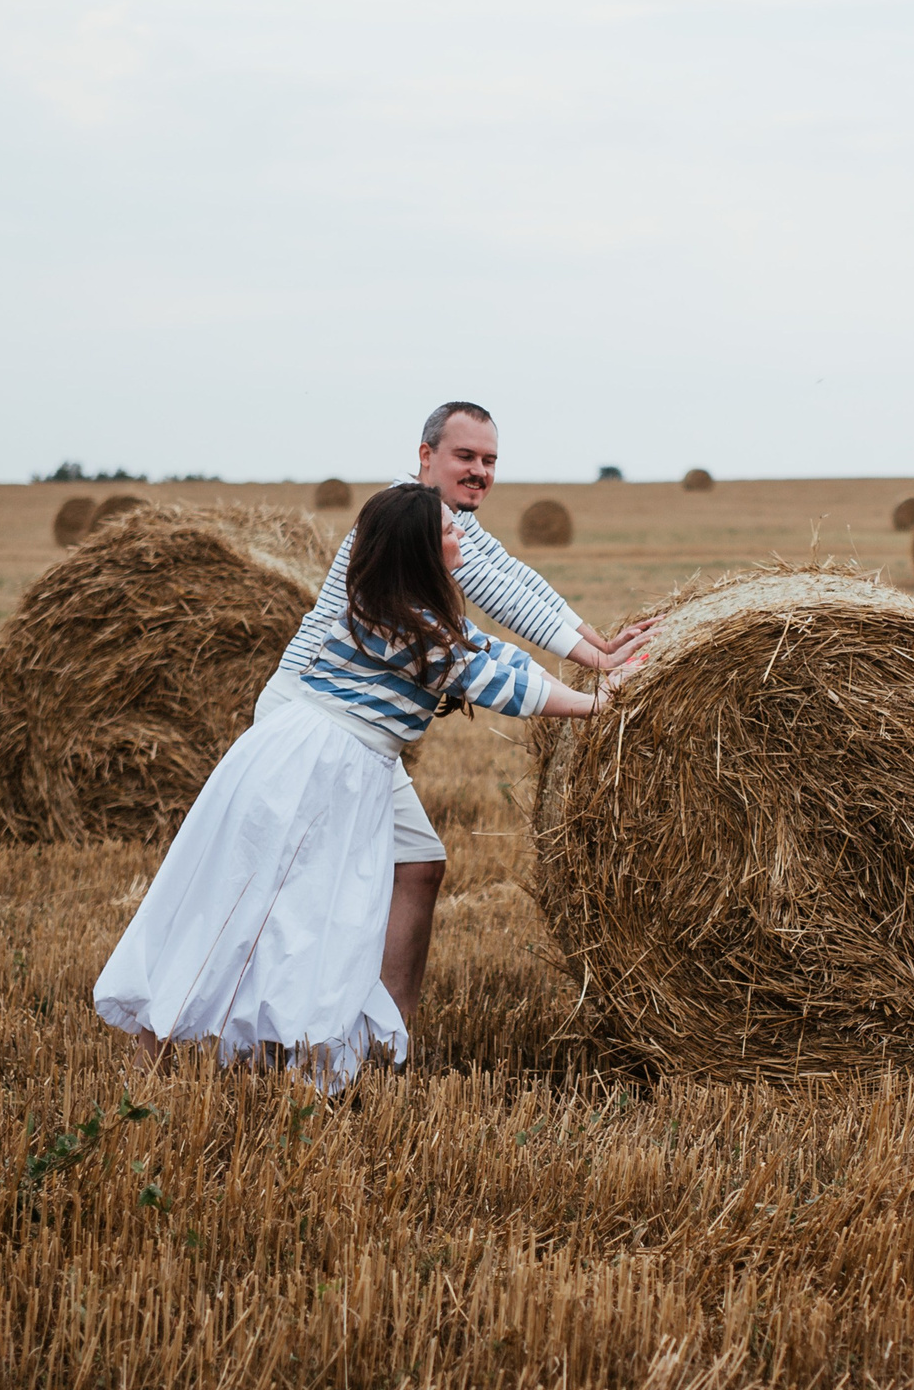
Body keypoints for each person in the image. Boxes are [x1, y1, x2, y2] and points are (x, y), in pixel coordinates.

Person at [91, 483, 635, 1089]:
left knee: (316, 914)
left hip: (346, 765)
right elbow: (484, 680)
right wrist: (594, 707)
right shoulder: (392, 617)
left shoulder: (420, 611)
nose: (461, 537)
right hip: (313, 766)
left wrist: (601, 665)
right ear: (418, 547)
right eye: (448, 531)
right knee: (243, 906)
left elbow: (495, 655)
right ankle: (154, 1060)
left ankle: (296, 1050)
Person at [255, 401, 647, 1040]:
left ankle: (386, 1037)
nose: (479, 472)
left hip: (360, 737)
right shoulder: (401, 524)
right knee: (300, 893)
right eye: (465, 456)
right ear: (425, 457)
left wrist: (599, 651)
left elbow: (510, 584)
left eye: (489, 460)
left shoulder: (442, 523)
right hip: (313, 725)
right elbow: (481, 648)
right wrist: (597, 687)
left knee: (417, 864)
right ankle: (267, 1032)